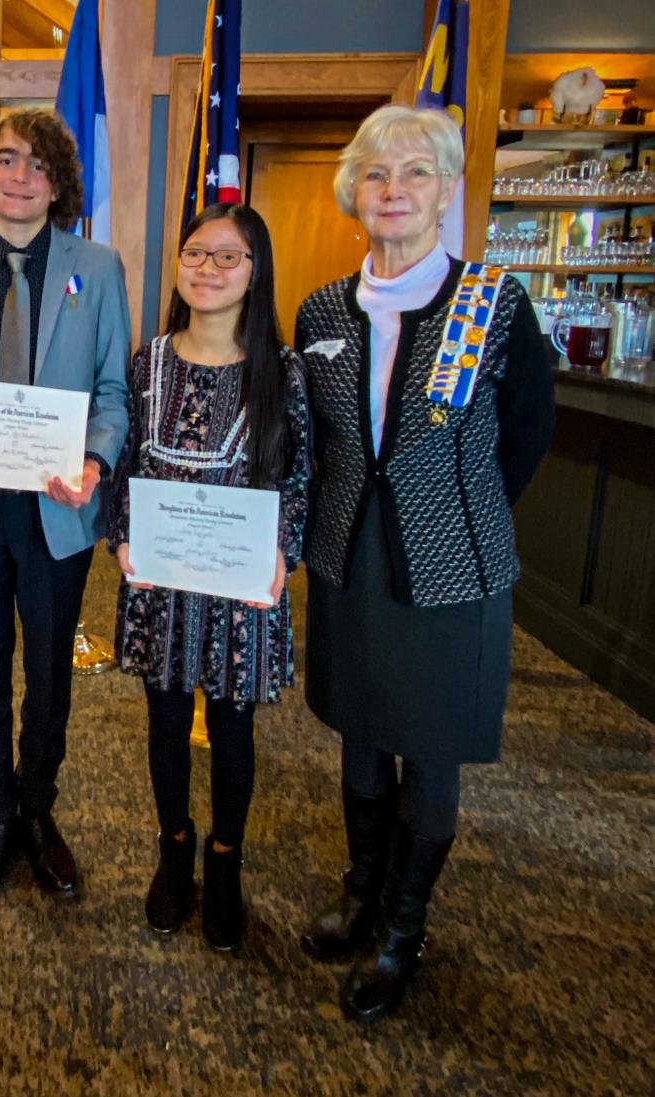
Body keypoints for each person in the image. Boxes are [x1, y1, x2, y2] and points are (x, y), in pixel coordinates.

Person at [295, 105, 555, 1021]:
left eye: (416, 173)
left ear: (447, 192)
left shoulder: (496, 304)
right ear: (354, 195)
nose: (394, 190)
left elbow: (526, 434)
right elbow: (316, 441)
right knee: (362, 736)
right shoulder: (323, 309)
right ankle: (363, 896)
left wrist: (456, 513)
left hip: (454, 569)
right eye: (377, 175)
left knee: (430, 752)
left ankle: (406, 930)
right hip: (345, 556)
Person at [0, 108, 130, 915]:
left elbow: (112, 391)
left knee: (48, 674)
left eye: (38, 164)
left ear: (58, 184)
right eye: (6, 160)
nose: (20, 175)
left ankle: (38, 808)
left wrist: (95, 460)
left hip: (57, 509)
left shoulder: (98, 269)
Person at [108, 203, 310, 951]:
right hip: (159, 581)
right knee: (164, 722)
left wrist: (282, 550)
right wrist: (122, 539)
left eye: (229, 257)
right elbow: (124, 464)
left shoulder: (282, 371)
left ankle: (225, 862)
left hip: (238, 588)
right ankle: (174, 849)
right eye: (197, 253)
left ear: (256, 274)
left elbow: (300, 474)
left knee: (231, 728)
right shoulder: (147, 361)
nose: (209, 269)